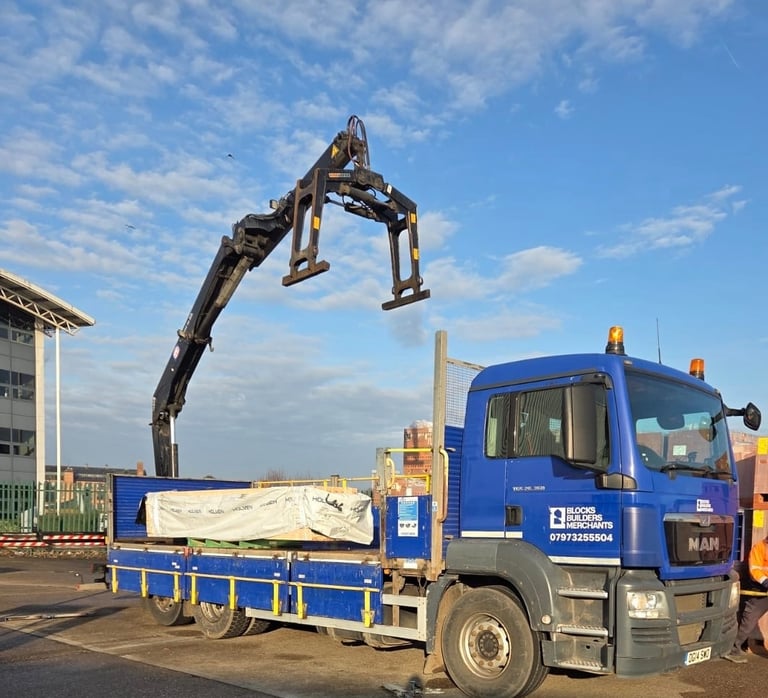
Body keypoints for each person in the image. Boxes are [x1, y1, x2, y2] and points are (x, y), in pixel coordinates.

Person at [724, 536, 768, 663]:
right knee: (748, 622)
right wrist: (766, 582)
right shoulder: (759, 547)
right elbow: (755, 569)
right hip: (760, 591)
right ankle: (733, 649)